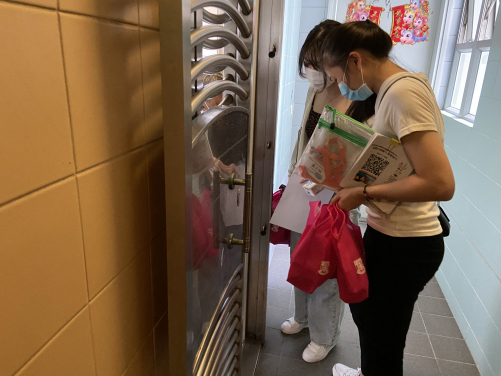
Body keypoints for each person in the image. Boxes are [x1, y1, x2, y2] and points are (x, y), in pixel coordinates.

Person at [319, 21, 455, 376]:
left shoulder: (401, 94)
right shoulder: (395, 90)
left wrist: (363, 192)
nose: (342, 86)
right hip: (391, 233)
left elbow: (440, 183)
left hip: (407, 244)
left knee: (382, 336)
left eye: (339, 77)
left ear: (354, 61)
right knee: (371, 319)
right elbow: (404, 163)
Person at [282, 20, 376, 364]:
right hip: (302, 188)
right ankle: (303, 318)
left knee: (325, 268)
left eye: (317, 63)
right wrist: (294, 176)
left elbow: (364, 155)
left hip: (335, 196)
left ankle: (325, 336)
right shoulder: (315, 91)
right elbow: (304, 139)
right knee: (299, 256)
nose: (311, 71)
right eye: (307, 62)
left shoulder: (362, 99)